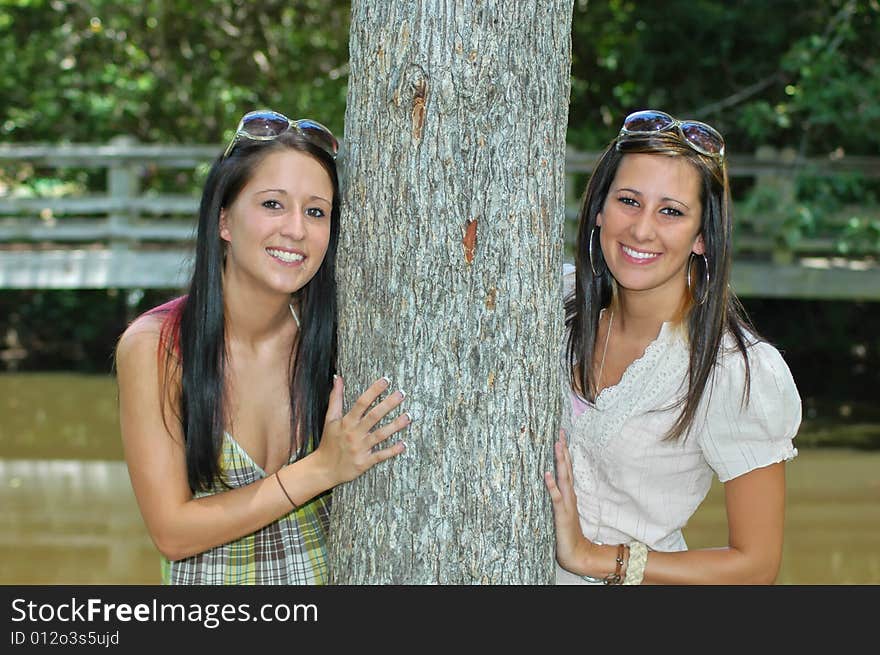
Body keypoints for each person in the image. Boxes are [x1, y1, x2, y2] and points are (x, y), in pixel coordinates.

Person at [115, 109, 411, 584]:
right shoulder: (159, 346)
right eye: (273, 204)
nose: (296, 229)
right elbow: (172, 531)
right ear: (225, 220)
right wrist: (321, 470)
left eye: (316, 212)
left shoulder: (341, 336)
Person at [544, 109, 802, 585]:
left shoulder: (733, 370)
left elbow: (756, 566)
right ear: (599, 210)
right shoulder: (549, 305)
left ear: (702, 236)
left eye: (671, 211)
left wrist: (594, 557)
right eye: (628, 201)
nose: (642, 230)